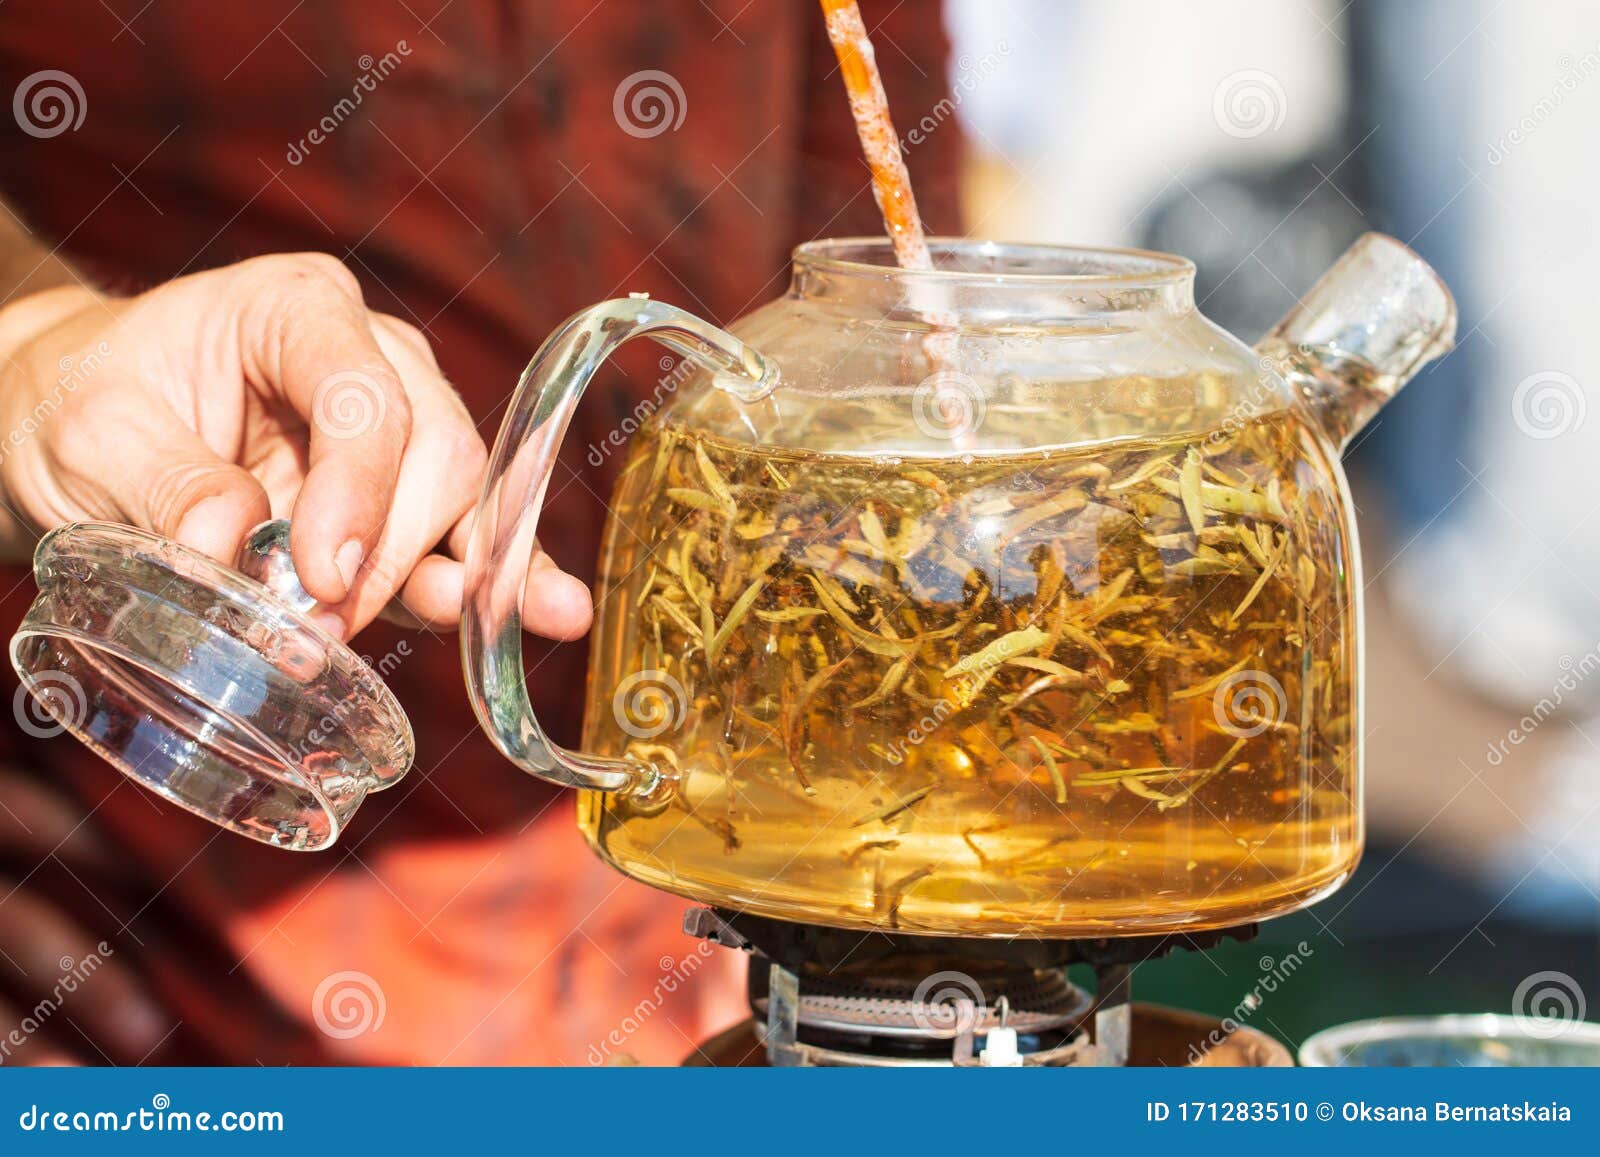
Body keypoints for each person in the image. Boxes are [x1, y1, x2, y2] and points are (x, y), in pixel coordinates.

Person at [0, 1, 960, 1064]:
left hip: (674, 903)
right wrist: (38, 346)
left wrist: (814, 842)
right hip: (160, 930)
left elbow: (893, 276)